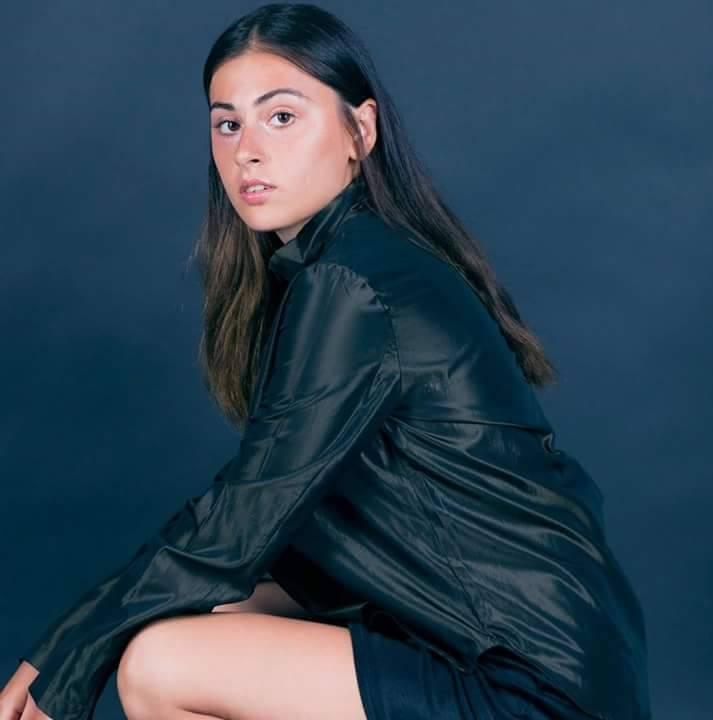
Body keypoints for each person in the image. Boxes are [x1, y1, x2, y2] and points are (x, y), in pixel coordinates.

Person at [1, 4, 652, 720]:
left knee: (161, 664)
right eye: (227, 124)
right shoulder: (351, 266)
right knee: (200, 613)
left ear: (359, 132)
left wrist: (65, 653)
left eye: (282, 117)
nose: (248, 151)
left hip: (528, 682)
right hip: (516, 651)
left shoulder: (355, 284)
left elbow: (243, 516)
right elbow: (306, 533)